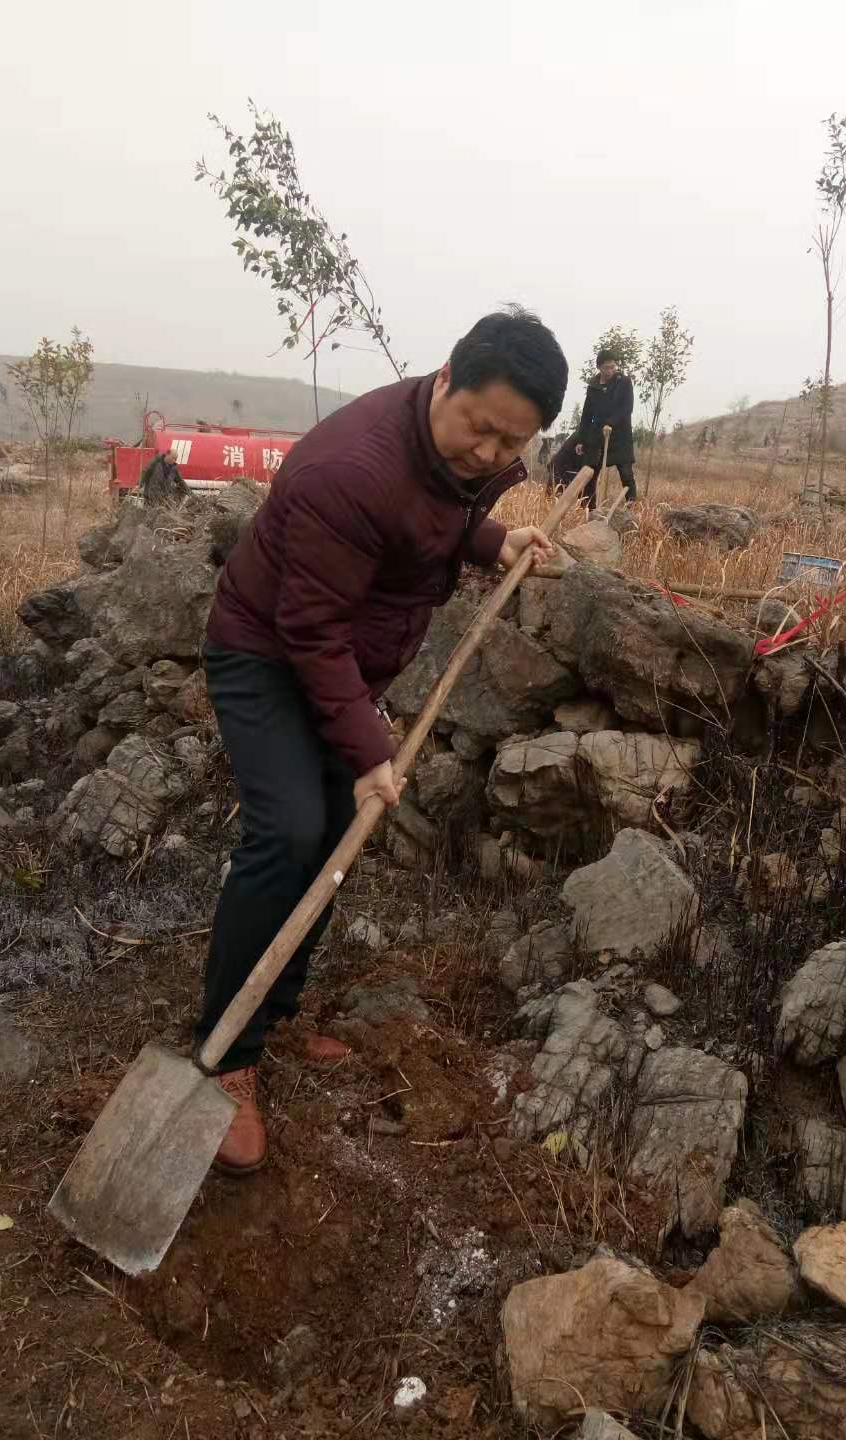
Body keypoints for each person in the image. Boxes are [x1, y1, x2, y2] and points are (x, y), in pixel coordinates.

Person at [199, 307, 569, 1174]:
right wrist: (371, 753)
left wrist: (493, 536)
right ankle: (225, 1057)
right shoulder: (349, 469)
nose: (487, 455)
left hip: (337, 664)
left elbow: (431, 521)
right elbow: (310, 634)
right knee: (287, 831)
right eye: (480, 429)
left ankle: (274, 1015)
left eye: (509, 443)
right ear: (445, 377)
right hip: (267, 652)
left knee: (334, 837)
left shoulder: (451, 453)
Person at [577, 350, 635, 507]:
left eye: (613, 367)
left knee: (626, 473)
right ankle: (589, 508)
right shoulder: (593, 387)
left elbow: (627, 408)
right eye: (607, 367)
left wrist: (611, 423)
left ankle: (631, 506)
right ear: (599, 367)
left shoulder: (623, 382)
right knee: (590, 473)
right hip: (597, 436)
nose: (610, 371)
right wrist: (581, 440)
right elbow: (587, 415)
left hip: (620, 435)